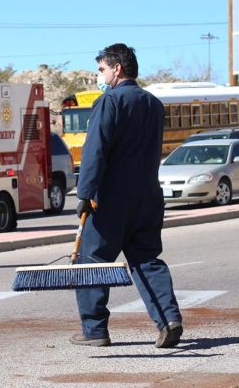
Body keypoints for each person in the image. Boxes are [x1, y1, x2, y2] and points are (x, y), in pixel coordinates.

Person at [71, 43, 182, 348]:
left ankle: (94, 331)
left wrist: (85, 192)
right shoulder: (153, 104)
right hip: (147, 197)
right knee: (146, 260)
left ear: (117, 69)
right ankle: (168, 319)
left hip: (111, 200)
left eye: (102, 69)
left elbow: (95, 150)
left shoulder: (110, 102)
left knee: (90, 262)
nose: (100, 75)